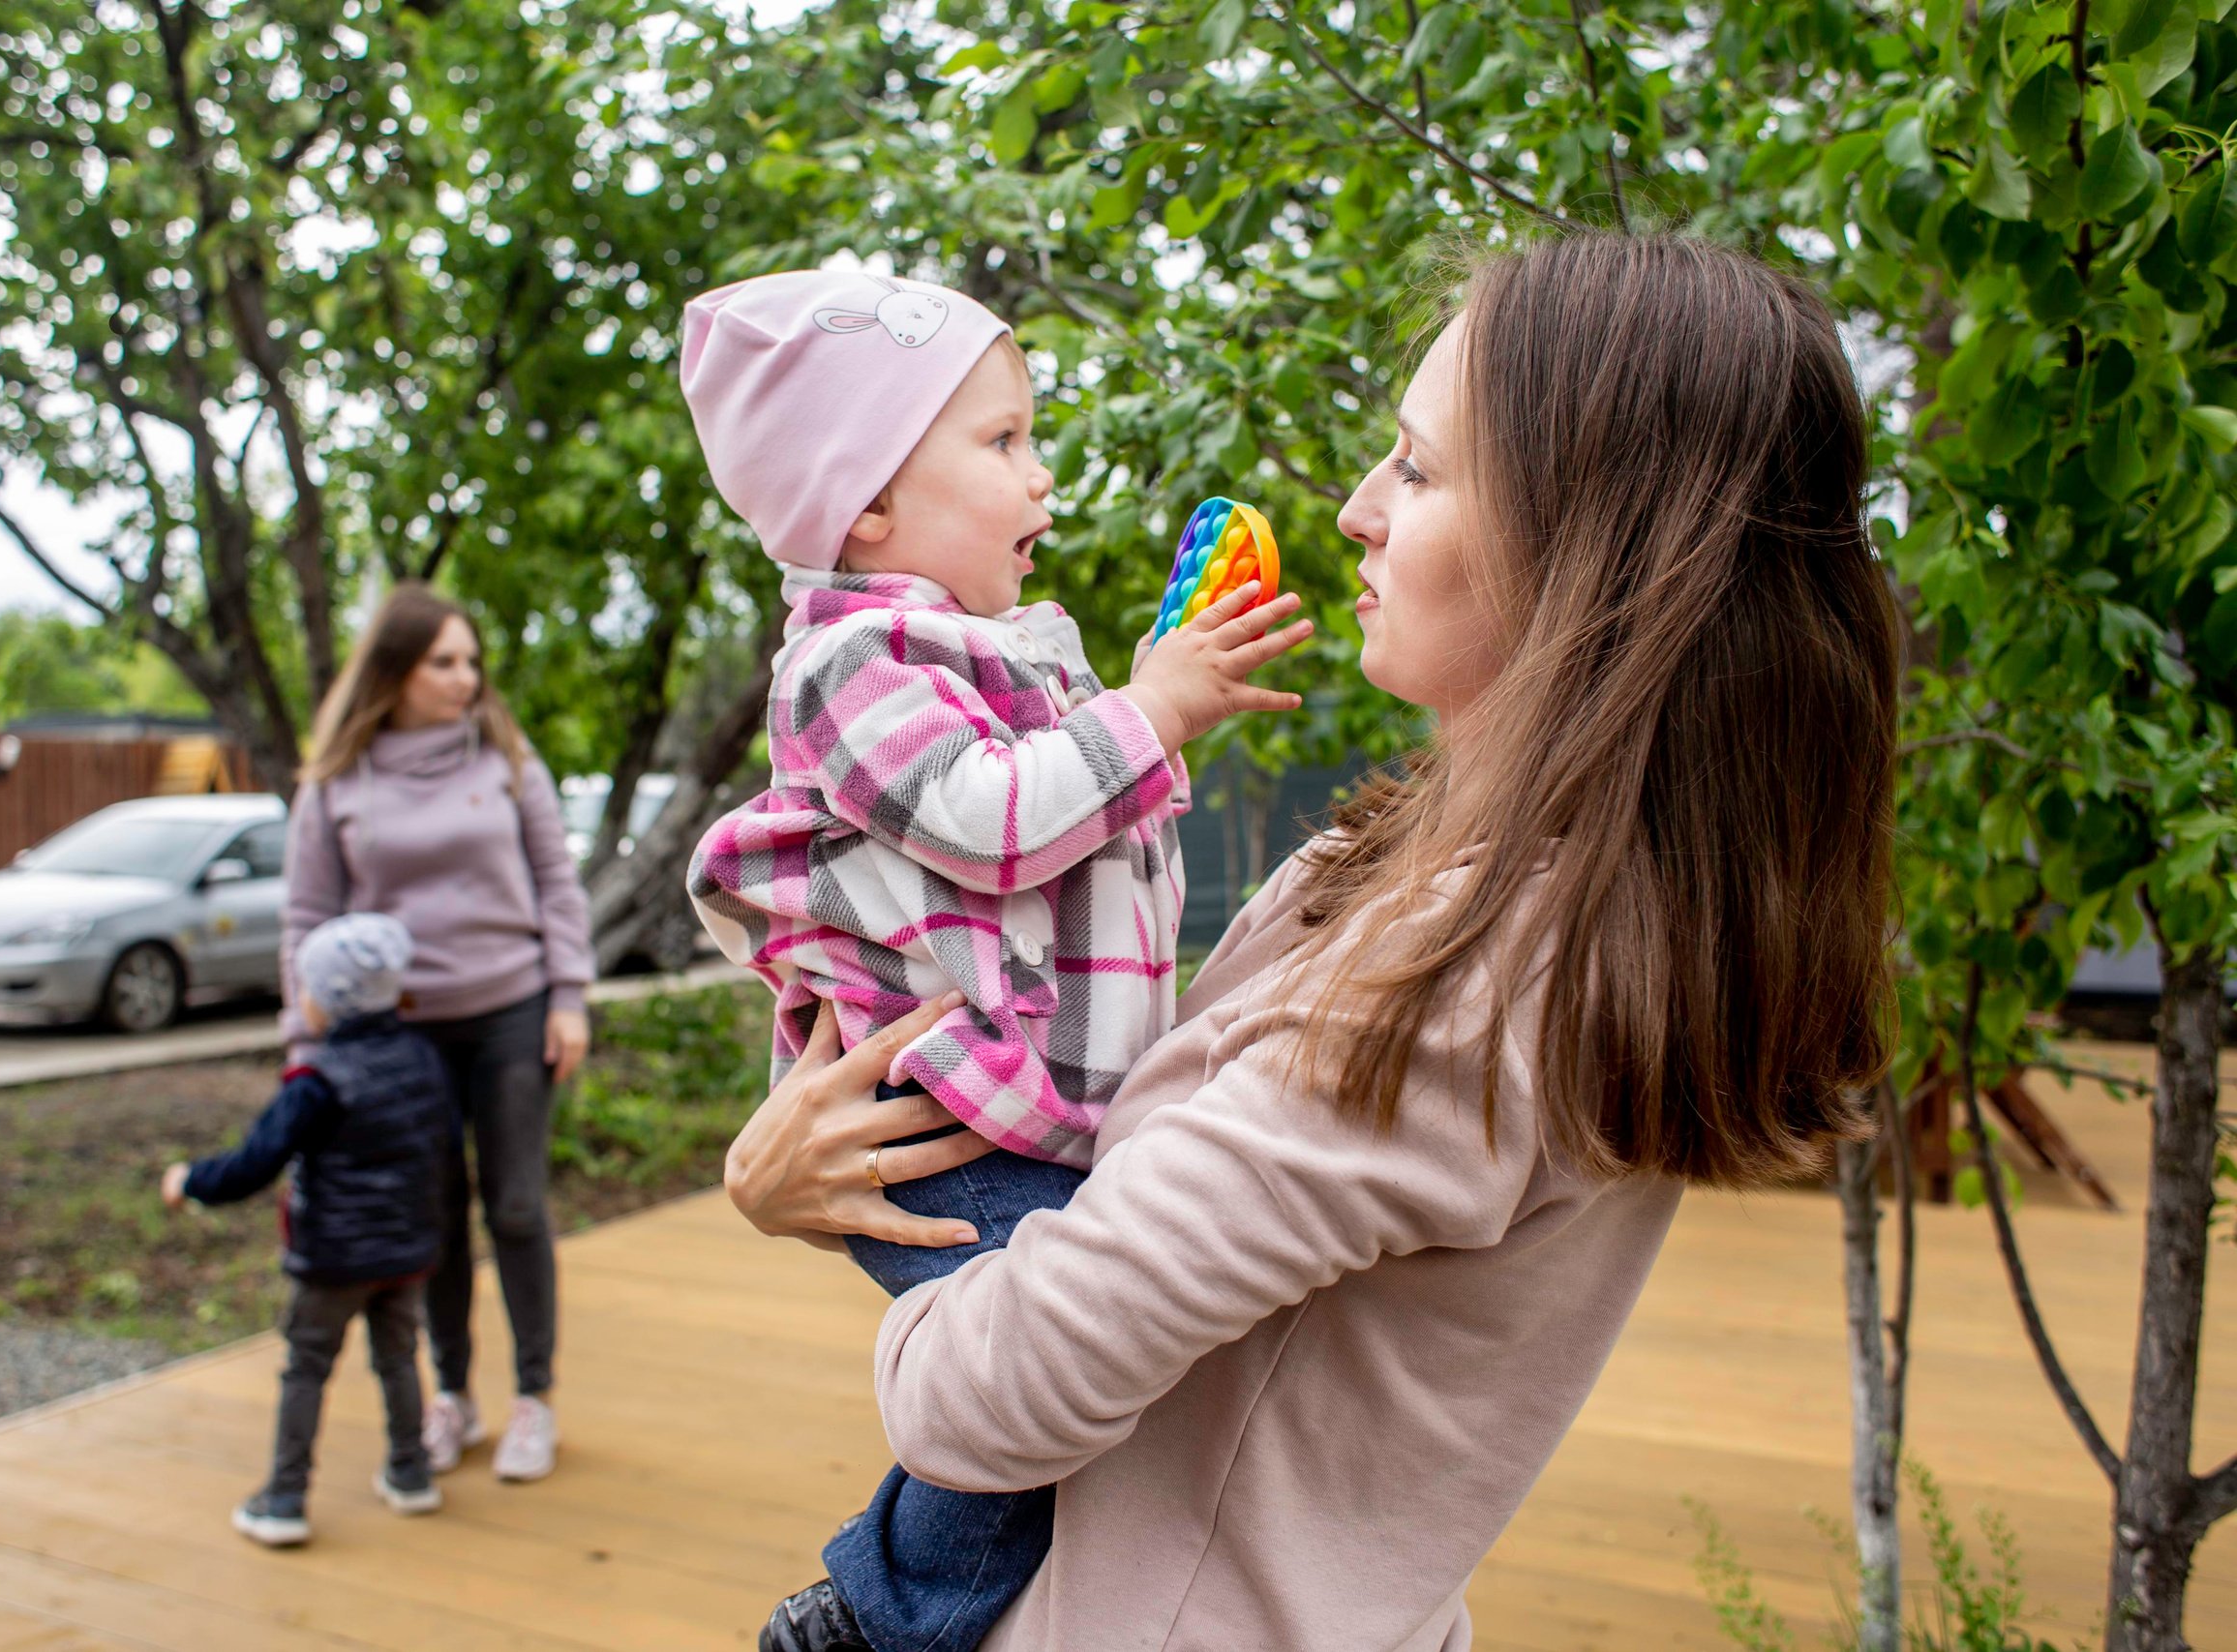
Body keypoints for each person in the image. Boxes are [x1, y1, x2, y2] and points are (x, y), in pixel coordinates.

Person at [721, 232, 1903, 1650]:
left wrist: (829, 1203)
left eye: (1415, 468)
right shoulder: (1450, 872)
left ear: (1587, 541)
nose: (1353, 510)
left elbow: (985, 1396)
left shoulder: (1481, 978)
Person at [678, 269, 1315, 1652]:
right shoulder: (847, 663)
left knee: (1051, 1390)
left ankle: (893, 1599)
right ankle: (878, 1621)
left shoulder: (1009, 658)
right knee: (1034, 1391)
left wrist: (1144, 693)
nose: (1042, 476)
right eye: (1003, 441)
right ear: (866, 507)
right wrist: (1149, 711)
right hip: (943, 1118)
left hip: (1018, 1106)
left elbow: (1098, 847)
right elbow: (997, 821)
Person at [285, 584, 594, 1486]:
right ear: (396, 671)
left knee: (516, 1205)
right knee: (435, 1219)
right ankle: (453, 1393)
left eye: (471, 661)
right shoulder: (338, 779)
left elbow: (556, 883)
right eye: (445, 662)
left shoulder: (505, 758)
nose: (467, 678)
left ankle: (533, 1395)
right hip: (396, 1038)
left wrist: (568, 996)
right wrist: (301, 1048)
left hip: (511, 1011)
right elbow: (306, 918)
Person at [162, 913, 456, 1547]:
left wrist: (191, 1180)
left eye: (307, 989)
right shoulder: (423, 1057)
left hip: (333, 1259)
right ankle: (411, 1473)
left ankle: (284, 1499)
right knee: (399, 1356)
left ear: (332, 998)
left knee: (306, 1366)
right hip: (407, 1250)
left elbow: (255, 1161)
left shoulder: (315, 1082)